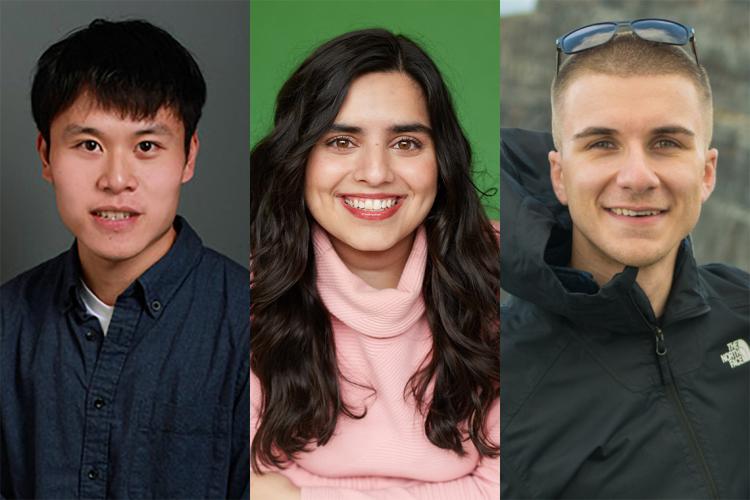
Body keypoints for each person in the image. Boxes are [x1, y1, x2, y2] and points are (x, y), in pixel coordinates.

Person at [0, 19, 249, 498]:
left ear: (189, 158)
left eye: (147, 146)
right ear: (46, 156)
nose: (117, 179)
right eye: (89, 145)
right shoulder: (9, 322)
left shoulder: (250, 320)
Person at [500, 20, 749, 499]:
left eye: (667, 143)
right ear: (559, 175)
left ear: (707, 172)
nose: (637, 176)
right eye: (602, 144)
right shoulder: (493, 385)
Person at [250, 29, 500, 499]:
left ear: (440, 160)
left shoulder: (503, 276)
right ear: (298, 158)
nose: (376, 173)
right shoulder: (246, 288)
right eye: (341, 141)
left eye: (406, 143)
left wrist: (299, 495)